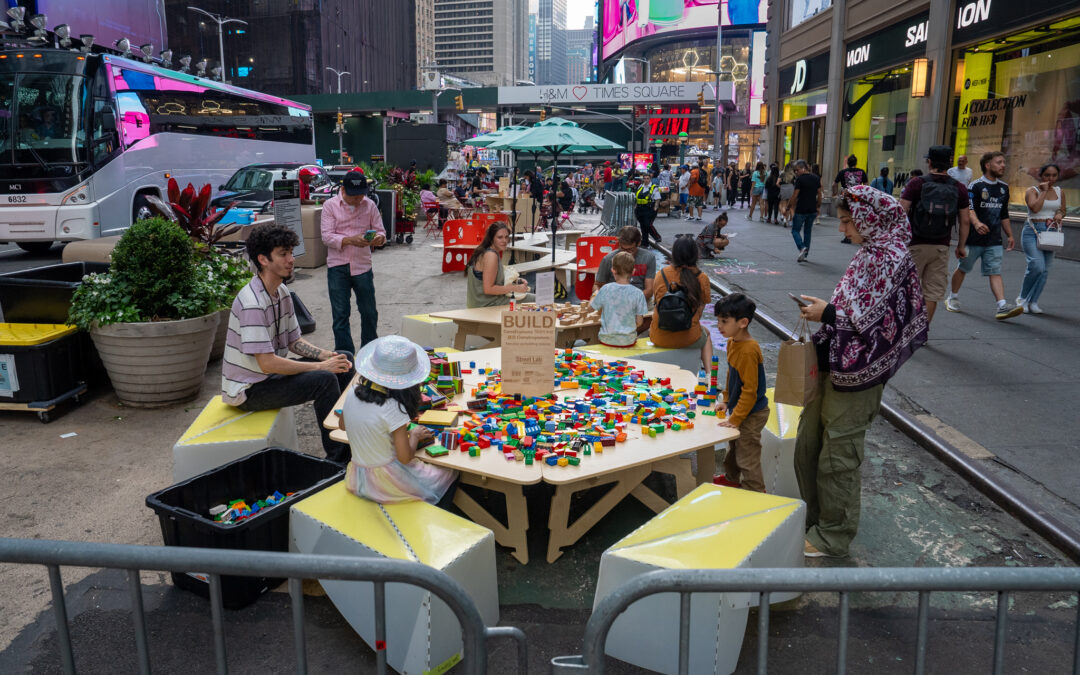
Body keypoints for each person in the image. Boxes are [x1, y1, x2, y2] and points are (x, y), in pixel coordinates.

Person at [795, 185, 929, 557]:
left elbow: (877, 324)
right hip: (834, 365)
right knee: (809, 445)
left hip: (860, 376)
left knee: (838, 456)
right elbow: (855, 310)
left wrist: (829, 314)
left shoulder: (891, 258)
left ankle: (833, 534)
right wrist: (828, 314)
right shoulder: (870, 255)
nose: (843, 230)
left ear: (871, 219)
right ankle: (816, 520)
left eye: (847, 221)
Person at [222, 223, 355, 464]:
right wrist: (320, 367)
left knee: (345, 358)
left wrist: (327, 356)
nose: (291, 260)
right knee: (324, 380)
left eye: (291, 253)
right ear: (263, 259)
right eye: (283, 254)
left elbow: (294, 341)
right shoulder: (252, 302)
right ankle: (337, 460)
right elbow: (267, 364)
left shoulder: (281, 291)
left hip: (268, 377)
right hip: (249, 390)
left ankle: (347, 439)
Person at [343, 336, 457, 505]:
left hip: (358, 477)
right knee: (449, 473)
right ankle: (440, 512)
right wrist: (415, 435)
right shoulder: (393, 407)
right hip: (388, 484)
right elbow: (405, 457)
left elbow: (342, 425)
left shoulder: (352, 393)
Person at [947, 151, 1023, 320]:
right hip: (973, 239)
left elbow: (1004, 214)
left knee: (995, 271)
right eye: (999, 162)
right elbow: (969, 209)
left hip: (994, 239)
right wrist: (976, 223)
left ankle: (1002, 305)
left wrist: (1009, 235)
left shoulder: (1003, 188)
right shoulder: (975, 186)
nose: (1003, 165)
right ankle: (952, 296)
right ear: (988, 165)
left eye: (1003, 162)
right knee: (963, 268)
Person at [899, 145, 970, 325]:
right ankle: (921, 332)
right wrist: (961, 245)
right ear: (949, 163)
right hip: (941, 245)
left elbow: (901, 211)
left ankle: (905, 329)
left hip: (914, 243)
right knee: (931, 292)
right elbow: (965, 221)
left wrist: (896, 239)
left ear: (929, 162)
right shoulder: (959, 188)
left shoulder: (917, 183)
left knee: (908, 287)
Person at [321, 171, 386, 354]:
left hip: (362, 266)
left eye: (361, 195)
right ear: (343, 190)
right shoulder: (330, 206)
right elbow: (326, 237)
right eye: (354, 196)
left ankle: (369, 352)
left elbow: (381, 231)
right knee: (340, 315)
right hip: (337, 266)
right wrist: (351, 240)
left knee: (369, 313)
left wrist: (377, 240)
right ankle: (345, 357)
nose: (358, 200)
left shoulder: (370, 205)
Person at [712, 293, 769, 492]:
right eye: (718, 320)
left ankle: (755, 491)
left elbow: (750, 391)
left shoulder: (748, 350)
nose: (719, 325)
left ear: (743, 322)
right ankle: (731, 479)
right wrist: (727, 400)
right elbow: (731, 374)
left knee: (747, 455)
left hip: (753, 412)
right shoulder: (732, 341)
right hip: (740, 408)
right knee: (734, 448)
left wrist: (736, 418)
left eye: (724, 321)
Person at [651, 236, 713, 372]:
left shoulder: (661, 274)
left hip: (659, 337)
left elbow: (657, 303)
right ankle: (710, 374)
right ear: (696, 255)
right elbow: (699, 312)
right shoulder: (702, 278)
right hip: (689, 338)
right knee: (707, 334)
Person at [1017, 163, 1067, 314]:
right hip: (1032, 231)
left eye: (1054, 175)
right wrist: (1044, 192)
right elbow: (1035, 208)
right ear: (1041, 176)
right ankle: (1022, 298)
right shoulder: (1032, 191)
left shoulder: (1060, 191)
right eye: (1047, 175)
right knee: (1036, 265)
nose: (1051, 179)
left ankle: (1033, 301)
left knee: (1045, 270)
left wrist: (1060, 214)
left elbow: (1063, 209)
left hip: (1051, 232)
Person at [589, 251, 650, 347]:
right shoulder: (638, 294)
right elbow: (639, 322)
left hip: (606, 340)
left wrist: (594, 295)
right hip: (628, 341)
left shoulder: (606, 289)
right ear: (633, 271)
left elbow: (591, 308)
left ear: (613, 270)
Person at [465, 222, 532, 308]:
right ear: (492, 239)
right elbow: (488, 289)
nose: (504, 241)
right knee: (538, 300)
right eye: (500, 237)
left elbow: (492, 276)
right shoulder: (491, 256)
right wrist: (514, 288)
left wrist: (516, 281)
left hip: (480, 303)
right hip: (487, 305)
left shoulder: (485, 250)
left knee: (531, 298)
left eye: (506, 237)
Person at [595, 225, 656, 297]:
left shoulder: (649, 258)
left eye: (631, 249)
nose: (626, 253)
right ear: (619, 244)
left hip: (640, 297)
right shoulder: (608, 259)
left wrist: (631, 301)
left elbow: (649, 290)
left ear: (639, 243)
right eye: (623, 249)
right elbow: (597, 285)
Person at [787, 159, 822, 262]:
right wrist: (818, 206)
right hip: (812, 209)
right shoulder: (816, 178)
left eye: (797, 170)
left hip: (801, 209)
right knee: (807, 232)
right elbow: (819, 194)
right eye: (795, 171)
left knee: (795, 230)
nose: (796, 172)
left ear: (803, 168)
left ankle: (802, 247)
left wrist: (789, 206)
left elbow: (795, 195)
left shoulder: (800, 180)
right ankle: (805, 254)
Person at [834, 155, 869, 243]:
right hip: (857, 198)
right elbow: (866, 185)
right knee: (856, 216)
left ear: (848, 163)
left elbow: (834, 184)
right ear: (856, 163)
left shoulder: (842, 172)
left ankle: (847, 236)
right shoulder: (861, 172)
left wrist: (834, 193)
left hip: (845, 197)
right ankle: (857, 234)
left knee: (846, 216)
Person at [633, 178, 662, 249]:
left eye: (647, 179)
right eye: (645, 178)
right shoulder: (641, 186)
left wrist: (655, 208)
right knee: (643, 226)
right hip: (640, 209)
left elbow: (657, 199)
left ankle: (657, 236)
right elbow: (637, 198)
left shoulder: (654, 187)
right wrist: (635, 207)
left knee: (647, 224)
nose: (646, 180)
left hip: (649, 208)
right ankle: (645, 242)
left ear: (650, 180)